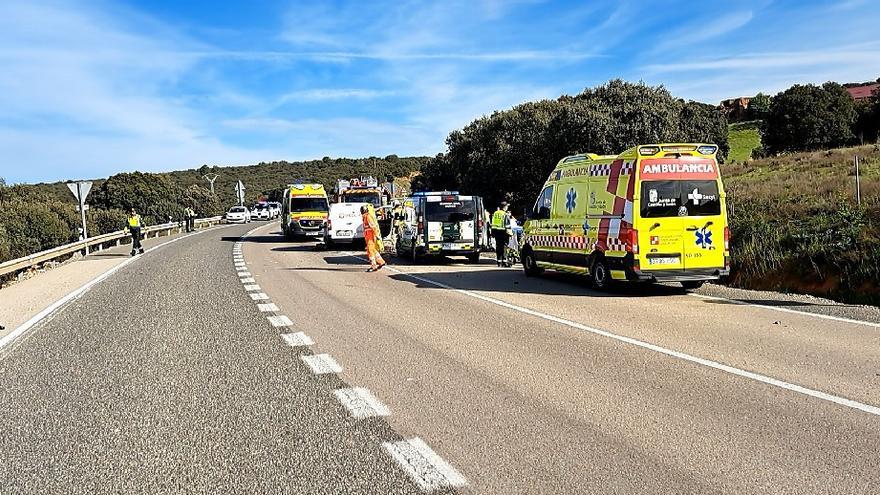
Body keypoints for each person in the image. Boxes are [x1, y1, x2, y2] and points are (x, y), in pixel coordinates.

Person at [361, 205, 386, 272]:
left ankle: (373, 266)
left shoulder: (367, 216)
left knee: (370, 251)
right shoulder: (365, 217)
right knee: (373, 250)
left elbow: (373, 226)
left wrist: (376, 235)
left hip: (370, 237)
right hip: (369, 237)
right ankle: (381, 262)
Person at [491, 202, 512, 267]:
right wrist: (510, 233)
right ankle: (504, 261)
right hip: (503, 232)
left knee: (498, 246)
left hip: (496, 231)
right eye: (507, 207)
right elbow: (507, 225)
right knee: (504, 247)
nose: (507, 208)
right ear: (504, 207)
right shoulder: (505, 214)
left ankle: (499, 261)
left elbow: (493, 223)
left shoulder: (495, 213)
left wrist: (492, 232)